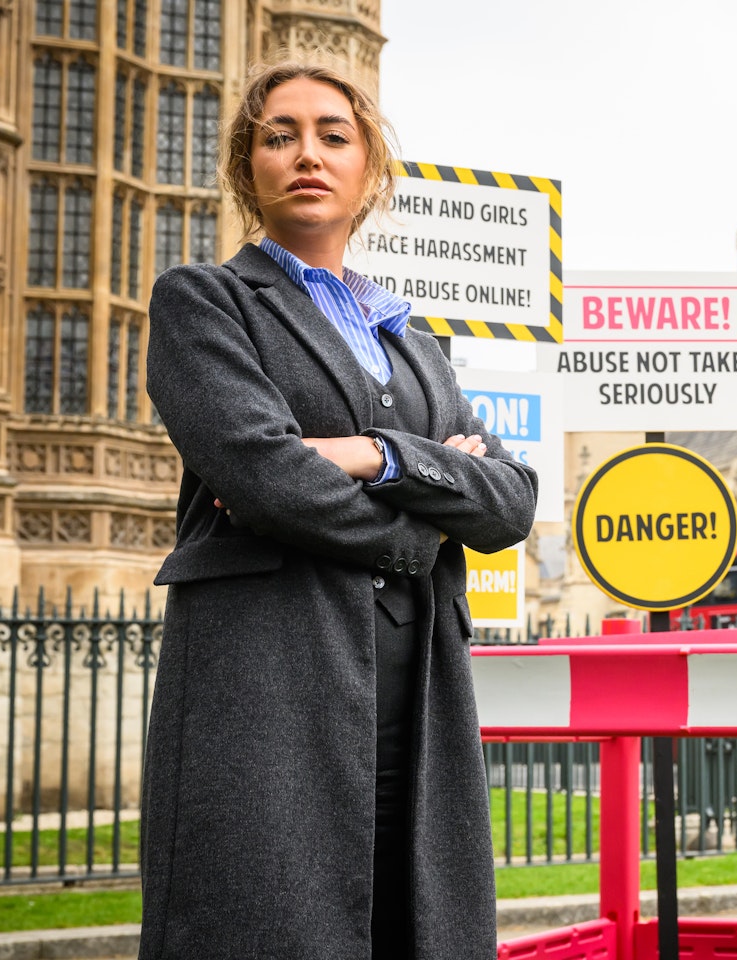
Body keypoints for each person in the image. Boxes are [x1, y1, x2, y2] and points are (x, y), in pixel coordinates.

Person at [139, 61, 537, 959]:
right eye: (279, 135)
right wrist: (433, 511)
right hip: (268, 691)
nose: (306, 153)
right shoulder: (205, 302)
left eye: (333, 135)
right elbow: (262, 473)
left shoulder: (412, 336)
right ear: (249, 168)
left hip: (420, 697)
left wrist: (375, 454)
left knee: (412, 927)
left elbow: (511, 501)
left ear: (370, 170)